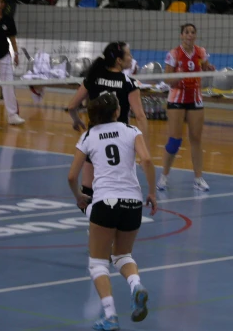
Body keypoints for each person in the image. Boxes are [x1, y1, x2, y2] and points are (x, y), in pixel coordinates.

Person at [67, 93, 157, 331]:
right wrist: (152, 193)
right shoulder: (131, 131)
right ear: (117, 112)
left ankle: (110, 316)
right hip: (133, 204)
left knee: (98, 263)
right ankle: (136, 285)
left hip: (105, 202)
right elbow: (146, 160)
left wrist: (78, 197)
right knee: (122, 255)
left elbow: (72, 176)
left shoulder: (88, 136)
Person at [68, 42, 147, 213]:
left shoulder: (93, 77)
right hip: (121, 142)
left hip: (95, 140)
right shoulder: (129, 83)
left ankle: (95, 224)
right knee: (119, 189)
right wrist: (143, 149)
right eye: (128, 54)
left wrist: (76, 121)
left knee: (88, 190)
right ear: (119, 60)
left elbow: (72, 106)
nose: (131, 57)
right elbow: (140, 116)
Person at [157, 24, 214, 192]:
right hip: (177, 99)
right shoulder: (174, 54)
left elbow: (204, 67)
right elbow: (167, 79)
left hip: (195, 99)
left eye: (192, 32)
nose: (190, 35)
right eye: (187, 32)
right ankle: (164, 177)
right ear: (181, 35)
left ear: (195, 35)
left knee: (196, 139)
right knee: (175, 140)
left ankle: (198, 178)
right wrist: (179, 77)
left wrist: (209, 68)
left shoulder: (201, 52)